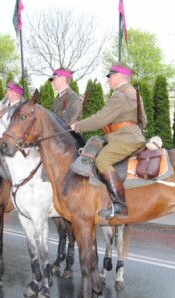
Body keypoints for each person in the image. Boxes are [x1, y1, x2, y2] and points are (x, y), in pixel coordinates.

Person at [70, 62, 147, 219]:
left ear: (118, 76)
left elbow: (100, 119)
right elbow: (143, 120)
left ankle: (120, 205)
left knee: (102, 161)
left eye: (110, 77)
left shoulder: (120, 95)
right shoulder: (134, 93)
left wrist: (77, 126)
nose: (108, 80)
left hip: (125, 138)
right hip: (130, 136)